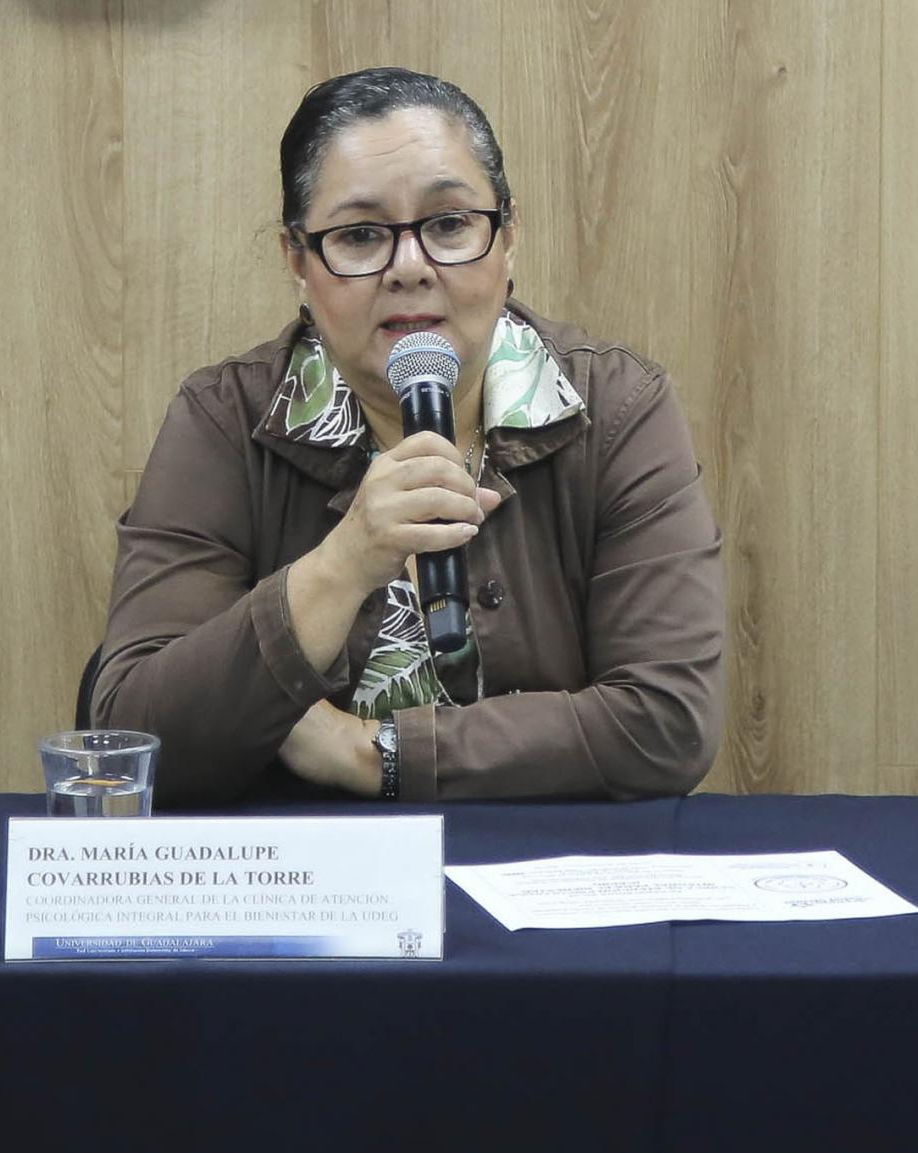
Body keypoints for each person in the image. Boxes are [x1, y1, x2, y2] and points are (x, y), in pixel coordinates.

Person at [91, 68, 723, 803]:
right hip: (306, 883)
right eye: (360, 236)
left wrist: (377, 755)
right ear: (297, 258)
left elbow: (668, 723)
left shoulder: (613, 408)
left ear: (509, 236)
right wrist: (346, 562)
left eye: (450, 225)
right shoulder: (225, 420)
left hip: (544, 874)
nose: (411, 268)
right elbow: (134, 742)